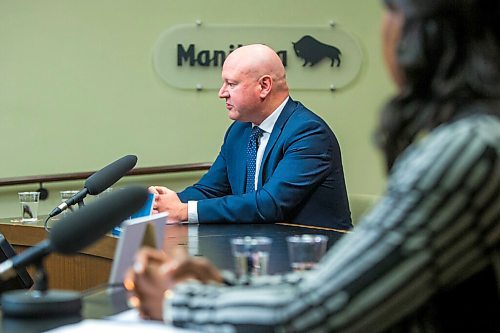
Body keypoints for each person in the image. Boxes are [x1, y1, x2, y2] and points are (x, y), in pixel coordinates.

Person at [126, 0, 500, 331]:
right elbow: (215, 187)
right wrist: (221, 280)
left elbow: (324, 303)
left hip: (309, 260)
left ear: (426, 37)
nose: (222, 93)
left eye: (392, 11)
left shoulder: (468, 149)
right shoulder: (476, 139)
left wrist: (180, 301)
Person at [149, 44, 352, 230]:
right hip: (257, 248)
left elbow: (269, 204)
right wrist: (167, 202)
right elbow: (210, 190)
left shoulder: (309, 133)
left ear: (264, 86)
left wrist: (184, 211)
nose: (222, 93)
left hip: (314, 257)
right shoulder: (239, 130)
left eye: (231, 84)